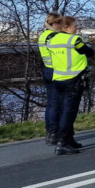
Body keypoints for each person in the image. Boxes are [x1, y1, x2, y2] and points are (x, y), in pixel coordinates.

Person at [48, 16, 93, 155]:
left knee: (62, 110)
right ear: (65, 27)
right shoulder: (74, 40)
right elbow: (89, 52)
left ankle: (69, 139)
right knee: (69, 113)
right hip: (73, 80)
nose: (77, 28)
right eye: (75, 26)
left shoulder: (52, 40)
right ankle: (62, 143)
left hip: (58, 80)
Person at [38, 12, 62, 146]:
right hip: (57, 71)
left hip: (47, 70)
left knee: (51, 103)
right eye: (60, 23)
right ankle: (55, 133)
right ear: (54, 23)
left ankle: (50, 133)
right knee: (58, 104)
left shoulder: (43, 36)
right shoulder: (55, 37)